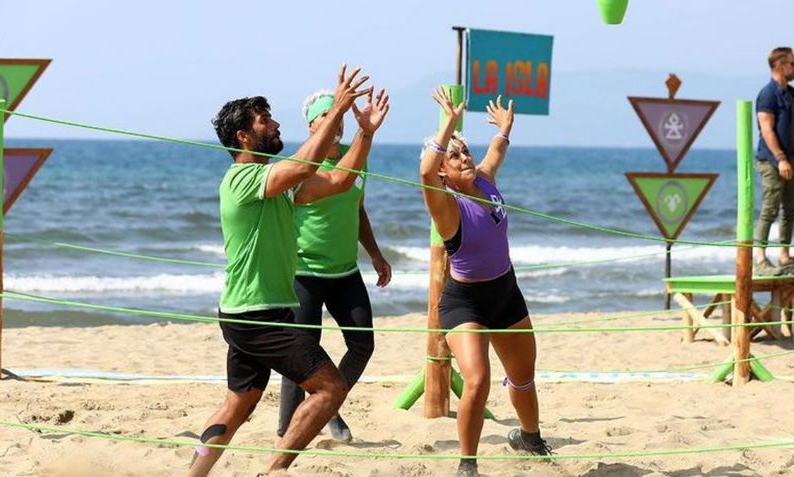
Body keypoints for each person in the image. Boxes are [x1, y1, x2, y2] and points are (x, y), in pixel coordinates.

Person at [188, 65, 389, 477]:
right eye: (266, 120)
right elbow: (301, 166)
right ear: (244, 136)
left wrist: (365, 133)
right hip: (258, 314)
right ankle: (273, 470)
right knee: (330, 387)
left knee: (237, 404)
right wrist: (338, 111)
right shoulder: (243, 179)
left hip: (251, 312)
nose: (276, 124)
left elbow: (336, 181)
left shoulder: (277, 183)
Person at [418, 87, 552, 477]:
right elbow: (426, 170)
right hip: (465, 302)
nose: (464, 157)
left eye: (465, 151)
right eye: (455, 155)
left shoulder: (485, 180)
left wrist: (505, 130)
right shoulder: (444, 202)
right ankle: (467, 463)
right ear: (444, 169)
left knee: (524, 376)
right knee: (477, 379)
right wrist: (447, 127)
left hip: (506, 292)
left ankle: (530, 437)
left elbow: (495, 153)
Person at [277, 89, 392, 442]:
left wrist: (374, 252)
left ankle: (327, 405)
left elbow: (357, 208)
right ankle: (287, 430)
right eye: (328, 118)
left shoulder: (357, 157)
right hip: (305, 273)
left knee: (362, 346)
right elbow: (338, 181)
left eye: (339, 118)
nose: (336, 124)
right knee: (301, 356)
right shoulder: (301, 165)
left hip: (345, 272)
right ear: (312, 125)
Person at [754, 46, 794, 276]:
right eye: (793, 63)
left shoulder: (791, 92)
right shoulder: (767, 94)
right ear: (780, 66)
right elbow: (767, 130)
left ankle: (785, 257)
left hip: (791, 160)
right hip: (772, 161)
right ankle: (760, 259)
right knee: (769, 209)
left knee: (790, 210)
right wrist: (780, 159)